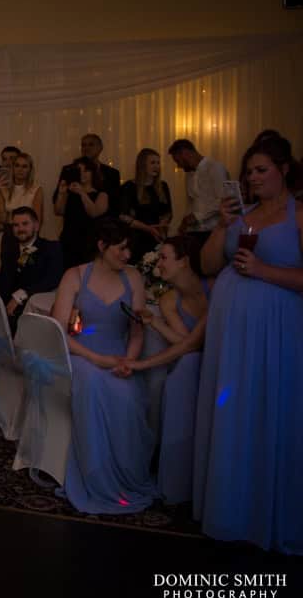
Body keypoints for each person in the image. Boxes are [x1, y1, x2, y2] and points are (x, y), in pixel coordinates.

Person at [194, 136, 303, 555]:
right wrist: (222, 225)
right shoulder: (242, 216)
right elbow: (207, 265)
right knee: (235, 414)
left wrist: (263, 270)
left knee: (268, 412)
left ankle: (266, 512)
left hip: (277, 333)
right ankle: (232, 509)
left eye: (262, 170)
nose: (254, 178)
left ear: (284, 169)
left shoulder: (298, 216)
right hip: (232, 337)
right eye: (250, 172)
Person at [50, 220, 157, 514]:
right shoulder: (75, 276)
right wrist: (96, 359)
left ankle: (127, 476)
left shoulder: (133, 277)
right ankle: (96, 478)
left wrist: (129, 361)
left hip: (118, 354)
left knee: (128, 398)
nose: (127, 255)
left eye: (129, 249)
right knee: (93, 385)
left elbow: (137, 331)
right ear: (102, 246)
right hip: (81, 353)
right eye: (121, 248)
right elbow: (59, 329)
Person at [124, 236, 210, 504]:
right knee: (182, 371)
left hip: (226, 359)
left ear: (184, 261)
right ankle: (175, 475)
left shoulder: (216, 287)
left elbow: (195, 342)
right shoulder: (169, 300)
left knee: (181, 370)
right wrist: (155, 324)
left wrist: (140, 364)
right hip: (195, 359)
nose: (158, 264)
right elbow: (188, 345)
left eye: (164, 258)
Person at [0, 206, 63, 332]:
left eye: (25, 224)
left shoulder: (51, 248)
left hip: (35, 307)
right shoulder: (9, 251)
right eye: (16, 225)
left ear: (36, 226)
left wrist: (22, 294)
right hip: (9, 305)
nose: (20, 229)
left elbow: (53, 279)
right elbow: (4, 281)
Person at [168, 138, 229, 246]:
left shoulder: (215, 168)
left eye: (178, 161)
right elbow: (191, 202)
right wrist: (184, 224)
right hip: (194, 232)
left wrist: (197, 216)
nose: (179, 166)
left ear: (185, 153)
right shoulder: (188, 174)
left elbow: (222, 200)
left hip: (213, 231)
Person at [54, 157, 109, 269]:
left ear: (93, 172)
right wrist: (61, 193)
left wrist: (82, 193)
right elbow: (58, 211)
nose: (82, 174)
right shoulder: (70, 193)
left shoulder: (101, 194)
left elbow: (94, 212)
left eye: (86, 170)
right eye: (79, 170)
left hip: (89, 243)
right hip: (69, 241)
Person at [119, 148, 172, 262]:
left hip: (157, 238)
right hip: (136, 239)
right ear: (142, 165)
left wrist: (161, 227)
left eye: (158, 163)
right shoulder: (129, 187)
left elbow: (168, 211)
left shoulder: (163, 186)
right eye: (152, 162)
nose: (156, 166)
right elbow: (123, 216)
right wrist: (148, 228)